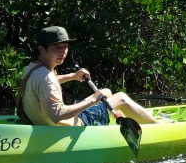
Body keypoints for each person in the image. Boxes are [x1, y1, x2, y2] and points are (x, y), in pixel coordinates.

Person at [19, 26, 158, 126]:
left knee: (107, 92)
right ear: (42, 49)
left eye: (65, 47)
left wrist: (73, 76)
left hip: (42, 122)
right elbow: (57, 115)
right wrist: (92, 100)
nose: (62, 52)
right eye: (56, 48)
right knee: (121, 97)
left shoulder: (34, 68)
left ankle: (123, 123)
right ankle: (159, 127)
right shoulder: (47, 78)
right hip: (74, 125)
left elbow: (48, 83)